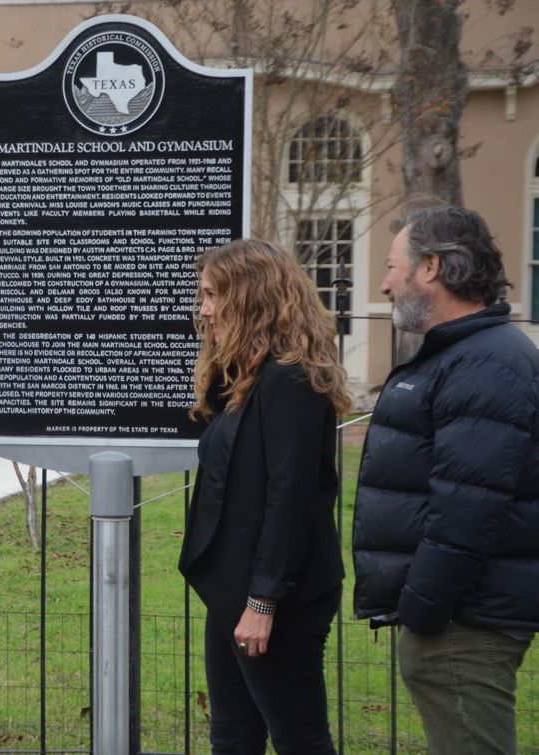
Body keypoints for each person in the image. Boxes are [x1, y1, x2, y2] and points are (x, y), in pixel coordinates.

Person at [354, 205, 539, 754]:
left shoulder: (485, 362)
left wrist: (423, 608)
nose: (384, 285)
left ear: (430, 268)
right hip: (460, 614)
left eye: (392, 267)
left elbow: (470, 507)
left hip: (467, 619)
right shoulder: (463, 354)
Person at [178, 239, 351, 753]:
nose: (203, 310)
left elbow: (290, 498)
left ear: (250, 297)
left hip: (277, 599)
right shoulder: (247, 377)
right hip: (233, 591)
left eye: (211, 296)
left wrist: (263, 601)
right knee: (232, 737)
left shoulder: (290, 379)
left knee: (300, 740)